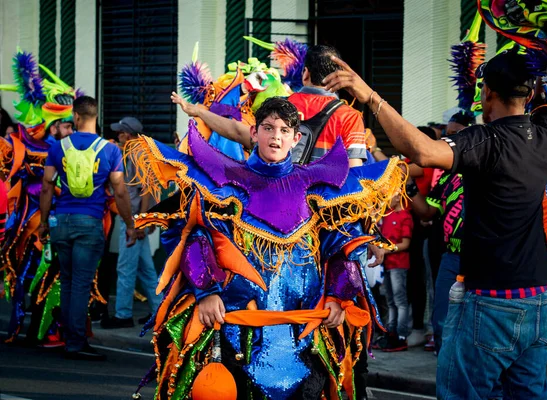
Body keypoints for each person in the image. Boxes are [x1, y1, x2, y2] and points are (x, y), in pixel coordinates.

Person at [126, 97, 406, 399]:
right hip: (238, 335)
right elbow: (199, 237)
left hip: (304, 334)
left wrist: (339, 296)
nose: (276, 137)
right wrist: (206, 292)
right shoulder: (224, 184)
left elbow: (340, 246)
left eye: (285, 130)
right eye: (269, 128)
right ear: (253, 132)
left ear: (296, 138)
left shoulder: (316, 187)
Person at [324, 49, 547, 398]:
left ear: (487, 94)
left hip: (489, 302)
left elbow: (422, 151)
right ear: (527, 93)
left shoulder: (487, 140)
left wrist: (369, 96)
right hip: (537, 301)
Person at [39, 96, 137, 361]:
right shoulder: (110, 149)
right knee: (81, 284)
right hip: (90, 222)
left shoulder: (58, 147)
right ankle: (75, 343)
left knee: (69, 281)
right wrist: (130, 224)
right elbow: (119, 191)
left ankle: (68, 337)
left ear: (77, 117)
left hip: (61, 220)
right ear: (95, 116)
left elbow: (47, 186)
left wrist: (43, 222)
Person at [171, 45, 367, 167]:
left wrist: (198, 111)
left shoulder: (278, 107)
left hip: (278, 216)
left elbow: (239, 132)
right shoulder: (349, 116)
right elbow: (354, 173)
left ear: (305, 73)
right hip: (327, 221)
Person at [409, 111, 474, 354]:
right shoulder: (446, 175)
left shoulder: (485, 166)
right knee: (442, 321)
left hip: (481, 257)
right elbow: (427, 212)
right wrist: (408, 186)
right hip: (451, 256)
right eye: (447, 135)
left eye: (455, 135)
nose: (449, 140)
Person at [102, 117, 161, 329]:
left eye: (120, 133)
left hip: (134, 220)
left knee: (125, 268)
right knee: (146, 271)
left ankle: (123, 314)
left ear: (127, 134)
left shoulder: (135, 155)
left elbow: (145, 190)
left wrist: (140, 222)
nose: (118, 136)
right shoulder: (137, 153)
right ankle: (159, 312)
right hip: (137, 219)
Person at [377, 194, 413, 352]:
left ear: (398, 197)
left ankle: (401, 335)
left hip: (399, 263)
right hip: (388, 264)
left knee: (400, 300)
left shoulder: (405, 216)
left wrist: (386, 249)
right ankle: (391, 332)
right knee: (391, 300)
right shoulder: (388, 215)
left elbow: (405, 244)